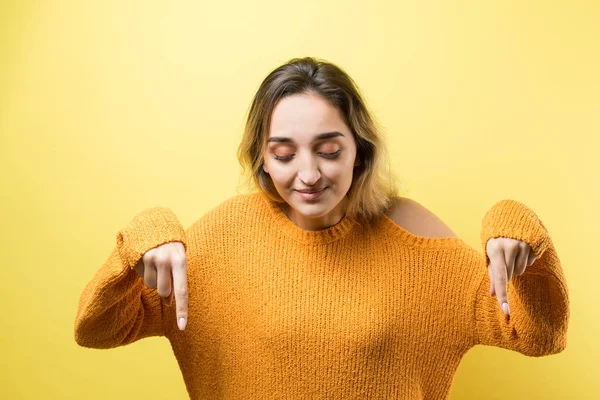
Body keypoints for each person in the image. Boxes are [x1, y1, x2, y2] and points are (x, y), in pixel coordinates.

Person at [74, 56, 570, 399]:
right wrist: (143, 233)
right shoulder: (222, 236)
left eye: (329, 150)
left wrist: (519, 229)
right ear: (262, 159)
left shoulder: (414, 237)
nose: (307, 174)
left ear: (360, 151)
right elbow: (96, 329)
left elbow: (538, 335)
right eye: (284, 153)